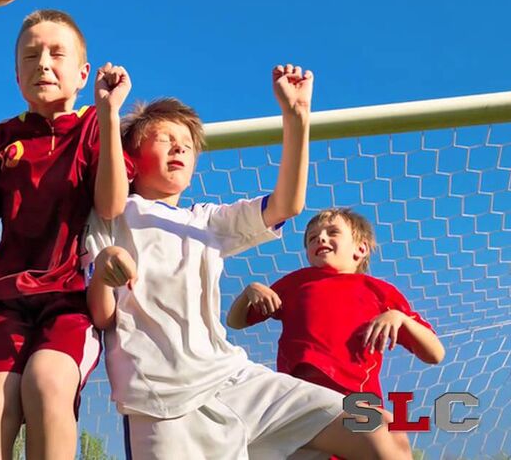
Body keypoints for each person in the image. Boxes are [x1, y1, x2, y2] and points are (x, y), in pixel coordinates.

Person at [84, 66, 412, 459]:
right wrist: (104, 269)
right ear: (131, 158)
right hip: (162, 404)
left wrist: (296, 119)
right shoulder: (111, 216)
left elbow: (285, 205)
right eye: (165, 139)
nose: (179, 149)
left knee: (376, 433)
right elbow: (103, 317)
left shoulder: (205, 221)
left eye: (187, 144)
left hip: (234, 380)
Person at [0, 9, 132, 459]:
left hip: (70, 298)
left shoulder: (94, 128)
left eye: (57, 53)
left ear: (82, 74)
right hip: (7, 301)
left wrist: (110, 114)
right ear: (16, 76)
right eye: (30, 55)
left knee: (46, 383)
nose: (43, 63)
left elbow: (112, 205)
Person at [226, 207, 445, 400]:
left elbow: (435, 354)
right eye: (312, 238)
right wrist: (249, 291)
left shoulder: (380, 292)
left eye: (333, 233)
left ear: (360, 249)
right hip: (297, 394)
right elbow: (235, 322)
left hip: (356, 396)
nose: (320, 238)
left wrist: (400, 318)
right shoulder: (296, 283)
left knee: (387, 446)